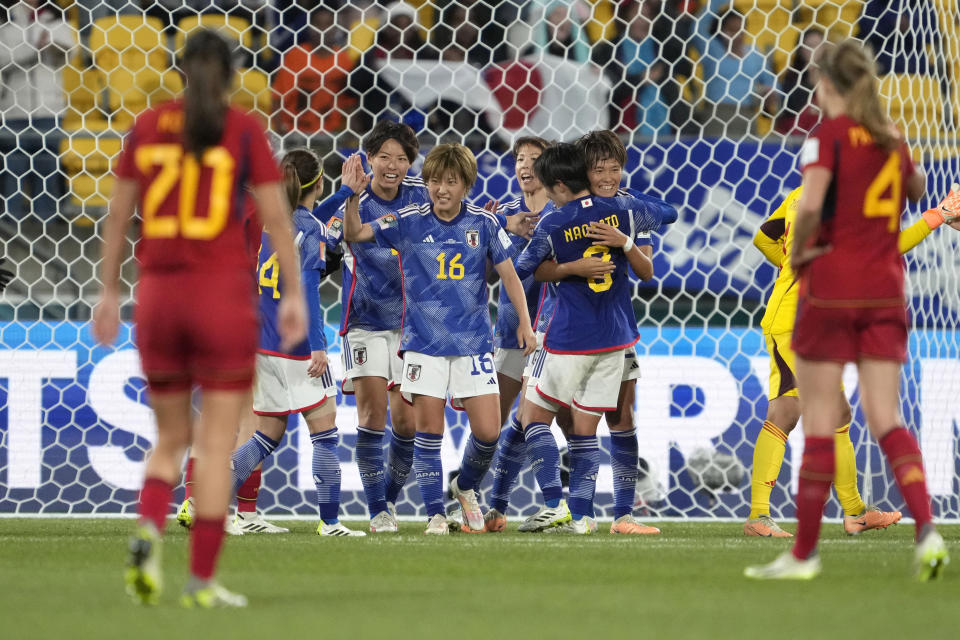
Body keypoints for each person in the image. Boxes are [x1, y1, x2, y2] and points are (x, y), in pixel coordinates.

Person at [93, 30, 306, 607]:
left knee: (168, 439)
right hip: (221, 297)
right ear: (233, 74)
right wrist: (293, 299)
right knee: (213, 445)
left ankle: (147, 531)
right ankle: (200, 582)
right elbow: (278, 221)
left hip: (158, 295)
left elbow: (117, 216)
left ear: (180, 69)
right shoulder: (242, 131)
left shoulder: (147, 126)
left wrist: (109, 292)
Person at [745, 39, 950, 581]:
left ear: (826, 84)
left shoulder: (825, 140)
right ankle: (926, 530)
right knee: (885, 419)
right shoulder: (893, 139)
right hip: (884, 294)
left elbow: (809, 209)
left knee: (819, 422)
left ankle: (803, 553)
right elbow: (915, 185)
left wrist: (805, 252)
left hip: (829, 293)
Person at [744, 179, 960, 538]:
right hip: (795, 323)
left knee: (838, 414)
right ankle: (758, 514)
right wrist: (937, 215)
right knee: (786, 411)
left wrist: (791, 270)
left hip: (812, 321)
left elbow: (763, 238)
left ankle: (855, 513)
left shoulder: (803, 194)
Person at [343, 143, 536, 535]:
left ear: (465, 183)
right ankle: (435, 514)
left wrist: (526, 325)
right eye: (434, 181)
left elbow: (510, 274)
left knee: (487, 431)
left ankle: (464, 488)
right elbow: (356, 233)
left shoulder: (482, 222)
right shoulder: (409, 219)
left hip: (473, 343)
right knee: (428, 430)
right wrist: (351, 197)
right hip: (423, 344)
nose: (441, 189)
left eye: (450, 181)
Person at [514, 143, 676, 534]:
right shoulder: (626, 211)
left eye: (614, 169)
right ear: (583, 174)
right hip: (614, 337)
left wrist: (623, 240)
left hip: (571, 336)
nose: (607, 177)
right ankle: (583, 516)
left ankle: (566, 506)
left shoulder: (555, 220)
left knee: (536, 419)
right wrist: (629, 214)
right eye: (599, 170)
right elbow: (668, 212)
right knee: (586, 429)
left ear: (557, 184)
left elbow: (524, 268)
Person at [223, 149, 366, 538]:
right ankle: (331, 523)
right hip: (298, 346)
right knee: (325, 433)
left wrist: (344, 193)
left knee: (266, 435)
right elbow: (307, 289)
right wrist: (317, 345)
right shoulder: (311, 230)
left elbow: (308, 221)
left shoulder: (272, 223)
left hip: (263, 344)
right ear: (317, 184)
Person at [323, 121, 427, 532]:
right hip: (363, 321)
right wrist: (347, 195)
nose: (393, 165)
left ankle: (387, 500)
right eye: (385, 156)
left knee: (407, 423)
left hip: (411, 324)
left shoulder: (421, 197)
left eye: (402, 158)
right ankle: (375, 511)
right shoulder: (352, 200)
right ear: (369, 160)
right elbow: (325, 246)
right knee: (372, 417)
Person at [483, 135, 552, 532]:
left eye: (534, 159)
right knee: (490, 425)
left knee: (530, 420)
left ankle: (502, 504)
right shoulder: (502, 215)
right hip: (508, 333)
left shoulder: (562, 214)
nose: (525, 166)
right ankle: (470, 491)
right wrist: (489, 245)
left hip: (549, 334)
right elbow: (486, 275)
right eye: (520, 159)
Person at [0, 0, 75, 219]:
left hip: (49, 111)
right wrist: (34, 50)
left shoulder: (56, 17)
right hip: (13, 111)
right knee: (12, 171)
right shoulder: (5, 18)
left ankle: (47, 230)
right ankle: (9, 232)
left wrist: (52, 47)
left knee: (47, 172)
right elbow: (2, 58)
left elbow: (69, 54)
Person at [775, 28, 824, 136]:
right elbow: (790, 108)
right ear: (800, 49)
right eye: (809, 45)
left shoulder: (832, 77)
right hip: (796, 133)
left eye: (817, 45)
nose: (813, 50)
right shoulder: (791, 76)